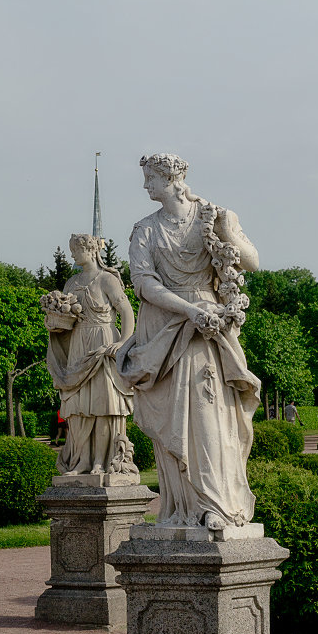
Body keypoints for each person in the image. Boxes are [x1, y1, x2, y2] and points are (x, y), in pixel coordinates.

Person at [116, 154, 261, 538]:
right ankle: (179, 508)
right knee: (170, 419)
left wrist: (228, 229)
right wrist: (188, 310)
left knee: (206, 414)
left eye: (151, 179)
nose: (146, 186)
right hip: (165, 326)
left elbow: (253, 262)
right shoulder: (145, 229)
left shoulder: (212, 217)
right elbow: (143, 284)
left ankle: (215, 505)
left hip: (206, 330)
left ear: (172, 178)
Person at [43, 233, 136, 476]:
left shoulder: (107, 279)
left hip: (103, 344)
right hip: (78, 347)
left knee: (104, 405)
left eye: (76, 249)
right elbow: (68, 320)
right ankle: (82, 461)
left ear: (91, 250)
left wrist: (124, 342)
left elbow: (126, 311)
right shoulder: (71, 283)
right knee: (78, 407)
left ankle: (101, 462)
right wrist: (55, 323)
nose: (72, 254)